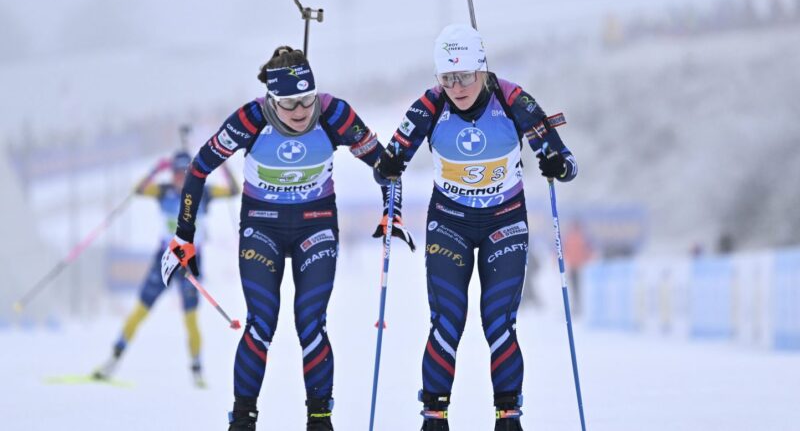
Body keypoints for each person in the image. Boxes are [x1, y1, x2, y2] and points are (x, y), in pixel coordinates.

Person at [160, 46, 414, 431]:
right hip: (262, 226)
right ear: (271, 99)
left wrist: (390, 208)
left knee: (310, 322)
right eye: (290, 104)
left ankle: (320, 419)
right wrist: (184, 235)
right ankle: (243, 419)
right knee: (262, 323)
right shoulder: (249, 118)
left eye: (307, 100)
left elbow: (385, 166)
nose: (300, 112)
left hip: (316, 225)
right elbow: (198, 169)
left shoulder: (333, 114)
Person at [374, 24, 578, 431]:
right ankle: (434, 417)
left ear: (482, 70)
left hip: (504, 222)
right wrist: (390, 166)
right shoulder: (429, 106)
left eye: (465, 75)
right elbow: (388, 163)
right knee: (447, 319)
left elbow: (567, 163)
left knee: (498, 320)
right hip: (450, 223)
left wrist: (556, 164)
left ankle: (508, 417)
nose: (457, 86)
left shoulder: (513, 99)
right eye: (447, 77)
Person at [93, 148, 239, 387]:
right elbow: (138, 190)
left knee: (190, 319)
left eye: (184, 173)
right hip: (165, 259)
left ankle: (197, 370)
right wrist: (153, 170)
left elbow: (234, 190)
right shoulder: (163, 192)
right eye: (175, 173)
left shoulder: (204, 191)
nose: (179, 178)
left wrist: (223, 166)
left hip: (191, 262)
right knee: (140, 310)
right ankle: (113, 359)